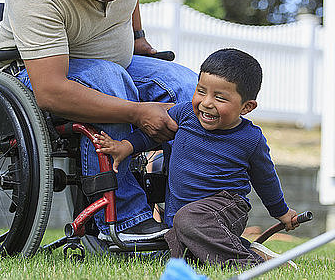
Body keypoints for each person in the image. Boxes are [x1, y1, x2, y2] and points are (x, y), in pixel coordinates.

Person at [0, 0, 198, 242]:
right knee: (107, 80)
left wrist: (138, 37)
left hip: (116, 62)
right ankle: (125, 220)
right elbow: (51, 90)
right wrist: (136, 111)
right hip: (37, 73)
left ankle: (187, 217)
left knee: (189, 89)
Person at [93, 48, 299, 267]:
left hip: (226, 207)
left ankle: (250, 264)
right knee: (181, 251)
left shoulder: (251, 139)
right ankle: (243, 248)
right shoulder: (185, 115)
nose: (206, 103)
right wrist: (126, 146)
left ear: (246, 107)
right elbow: (153, 133)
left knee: (189, 221)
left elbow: (265, 179)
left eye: (220, 97)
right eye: (201, 91)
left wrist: (282, 212)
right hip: (180, 214)